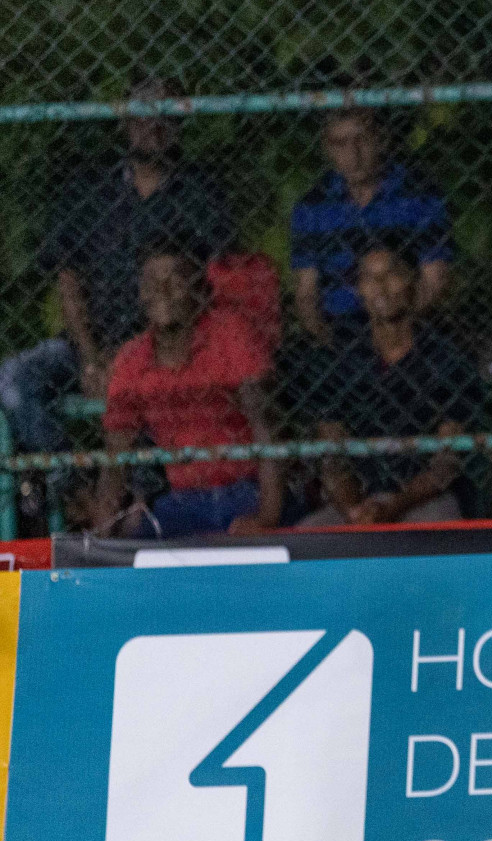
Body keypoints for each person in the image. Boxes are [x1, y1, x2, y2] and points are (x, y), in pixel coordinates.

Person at [2, 76, 234, 454]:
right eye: (142, 113)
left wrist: (133, 357)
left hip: (166, 347)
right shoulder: (89, 191)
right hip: (89, 345)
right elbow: (68, 280)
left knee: (156, 396)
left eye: (165, 115)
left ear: (179, 123)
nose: (153, 126)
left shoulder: (199, 193)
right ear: (124, 120)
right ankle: (74, 492)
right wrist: (93, 358)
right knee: (14, 379)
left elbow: (211, 286)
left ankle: (142, 500)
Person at [93, 244, 282, 538]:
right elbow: (115, 459)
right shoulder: (132, 359)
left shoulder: (230, 334)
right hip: (182, 500)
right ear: (141, 293)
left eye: (175, 280)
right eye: (152, 282)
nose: (163, 290)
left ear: (197, 287)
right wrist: (98, 538)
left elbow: (266, 429)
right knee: (139, 545)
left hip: (245, 490)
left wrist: (267, 519)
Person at [300, 247, 481, 526]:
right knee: (310, 536)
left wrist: (392, 509)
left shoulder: (443, 354)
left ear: (412, 280)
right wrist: (354, 510)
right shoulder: (342, 358)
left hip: (423, 498)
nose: (381, 287)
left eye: (391, 274)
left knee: (436, 534)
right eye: (369, 278)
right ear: (358, 289)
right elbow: (331, 454)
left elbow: (446, 461)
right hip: (359, 500)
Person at [290, 108, 453, 347]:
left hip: (406, 326)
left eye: (361, 140)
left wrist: (394, 332)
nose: (353, 155)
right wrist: (328, 341)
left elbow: (435, 281)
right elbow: (306, 293)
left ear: (381, 139)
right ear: (327, 148)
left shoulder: (419, 196)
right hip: (340, 331)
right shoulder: (312, 207)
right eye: (340, 144)